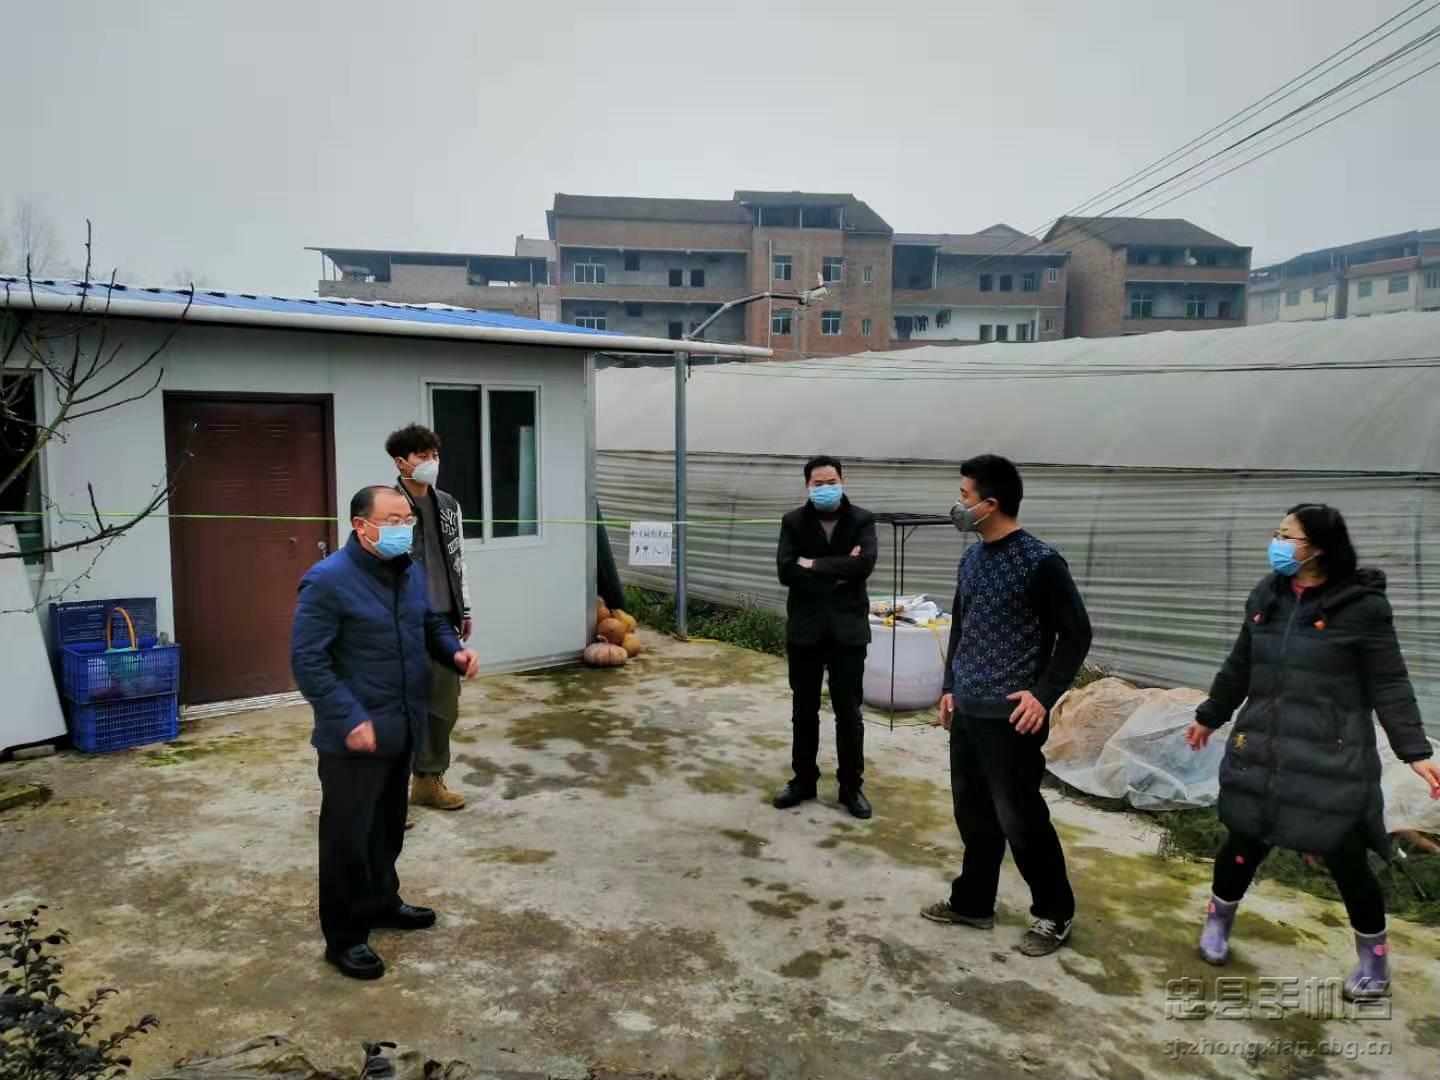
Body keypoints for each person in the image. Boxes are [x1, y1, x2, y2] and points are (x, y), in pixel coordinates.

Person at [1186, 503, 1440, 999]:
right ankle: (1218, 922)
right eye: (1277, 533)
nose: (1277, 543)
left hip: (1330, 757)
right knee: (1242, 844)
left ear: (1319, 548)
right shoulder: (1268, 595)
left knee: (1346, 857)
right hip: (1263, 747)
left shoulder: (1361, 607)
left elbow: (1389, 681)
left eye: (1288, 536)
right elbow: (1241, 664)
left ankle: (1375, 962)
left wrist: (1414, 750)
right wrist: (1209, 715)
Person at [291, 485, 480, 980]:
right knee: (347, 840)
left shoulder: (407, 572)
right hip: (353, 737)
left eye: (408, 520)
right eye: (393, 520)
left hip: (401, 725)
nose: (404, 529)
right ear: (361, 526)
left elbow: (430, 623)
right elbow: (308, 662)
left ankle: (381, 901)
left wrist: (453, 652)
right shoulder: (327, 581)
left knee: (387, 828)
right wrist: (348, 717)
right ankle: (345, 937)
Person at [922, 454, 1092, 958]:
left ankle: (1055, 912)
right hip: (968, 709)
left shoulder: (1040, 562)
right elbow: (963, 625)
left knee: (1020, 818)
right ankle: (974, 902)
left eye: (965, 496)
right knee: (972, 814)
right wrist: (950, 685)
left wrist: (1043, 695)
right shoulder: (972, 558)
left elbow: (1076, 635)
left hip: (1012, 716)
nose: (958, 504)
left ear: (991, 504)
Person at [773, 455, 878, 820]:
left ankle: (851, 786)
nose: (825, 488)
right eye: (818, 484)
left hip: (848, 632)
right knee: (803, 710)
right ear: (807, 486)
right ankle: (803, 780)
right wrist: (839, 572)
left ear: (842, 480)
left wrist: (814, 564)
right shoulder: (793, 522)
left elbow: (864, 564)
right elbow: (786, 570)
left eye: (831, 481)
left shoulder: (862, 520)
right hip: (805, 631)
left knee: (848, 712)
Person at [386, 423, 473, 813]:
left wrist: (464, 608)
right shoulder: (385, 506)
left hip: (443, 619)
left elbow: (458, 559)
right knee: (398, 711)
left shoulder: (449, 505)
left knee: (443, 707)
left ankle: (428, 781)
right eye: (422, 456)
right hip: (399, 622)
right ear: (401, 462)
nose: (431, 462)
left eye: (435, 455)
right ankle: (387, 798)